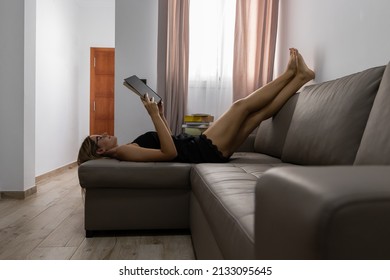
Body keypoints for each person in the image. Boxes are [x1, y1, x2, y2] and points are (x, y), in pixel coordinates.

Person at [78, 48, 314, 165]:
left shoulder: (125, 150)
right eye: (100, 138)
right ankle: (290, 74)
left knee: (258, 115)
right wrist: (153, 116)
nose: (106, 134)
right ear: (99, 151)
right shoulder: (122, 152)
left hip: (205, 150)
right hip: (203, 149)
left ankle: (301, 78)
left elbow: (167, 144)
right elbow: (170, 154)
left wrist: (159, 115)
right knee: (240, 107)